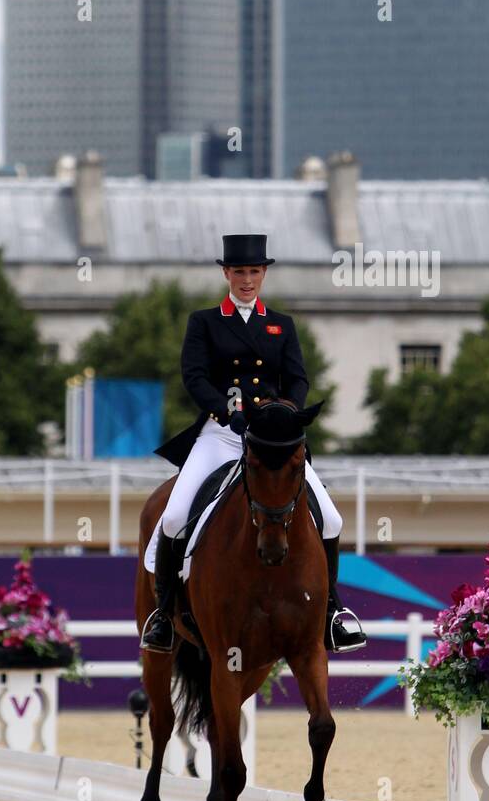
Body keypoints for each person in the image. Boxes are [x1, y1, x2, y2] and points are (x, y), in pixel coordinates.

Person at [140, 233, 366, 656]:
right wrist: (229, 415)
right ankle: (164, 615)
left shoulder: (281, 324)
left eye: (255, 271)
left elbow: (298, 378)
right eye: (240, 271)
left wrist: (284, 415)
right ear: (226, 273)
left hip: (272, 441)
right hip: (221, 435)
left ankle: (333, 611)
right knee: (172, 518)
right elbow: (195, 377)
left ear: (264, 273)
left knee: (331, 520)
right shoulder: (204, 322)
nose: (247, 279)